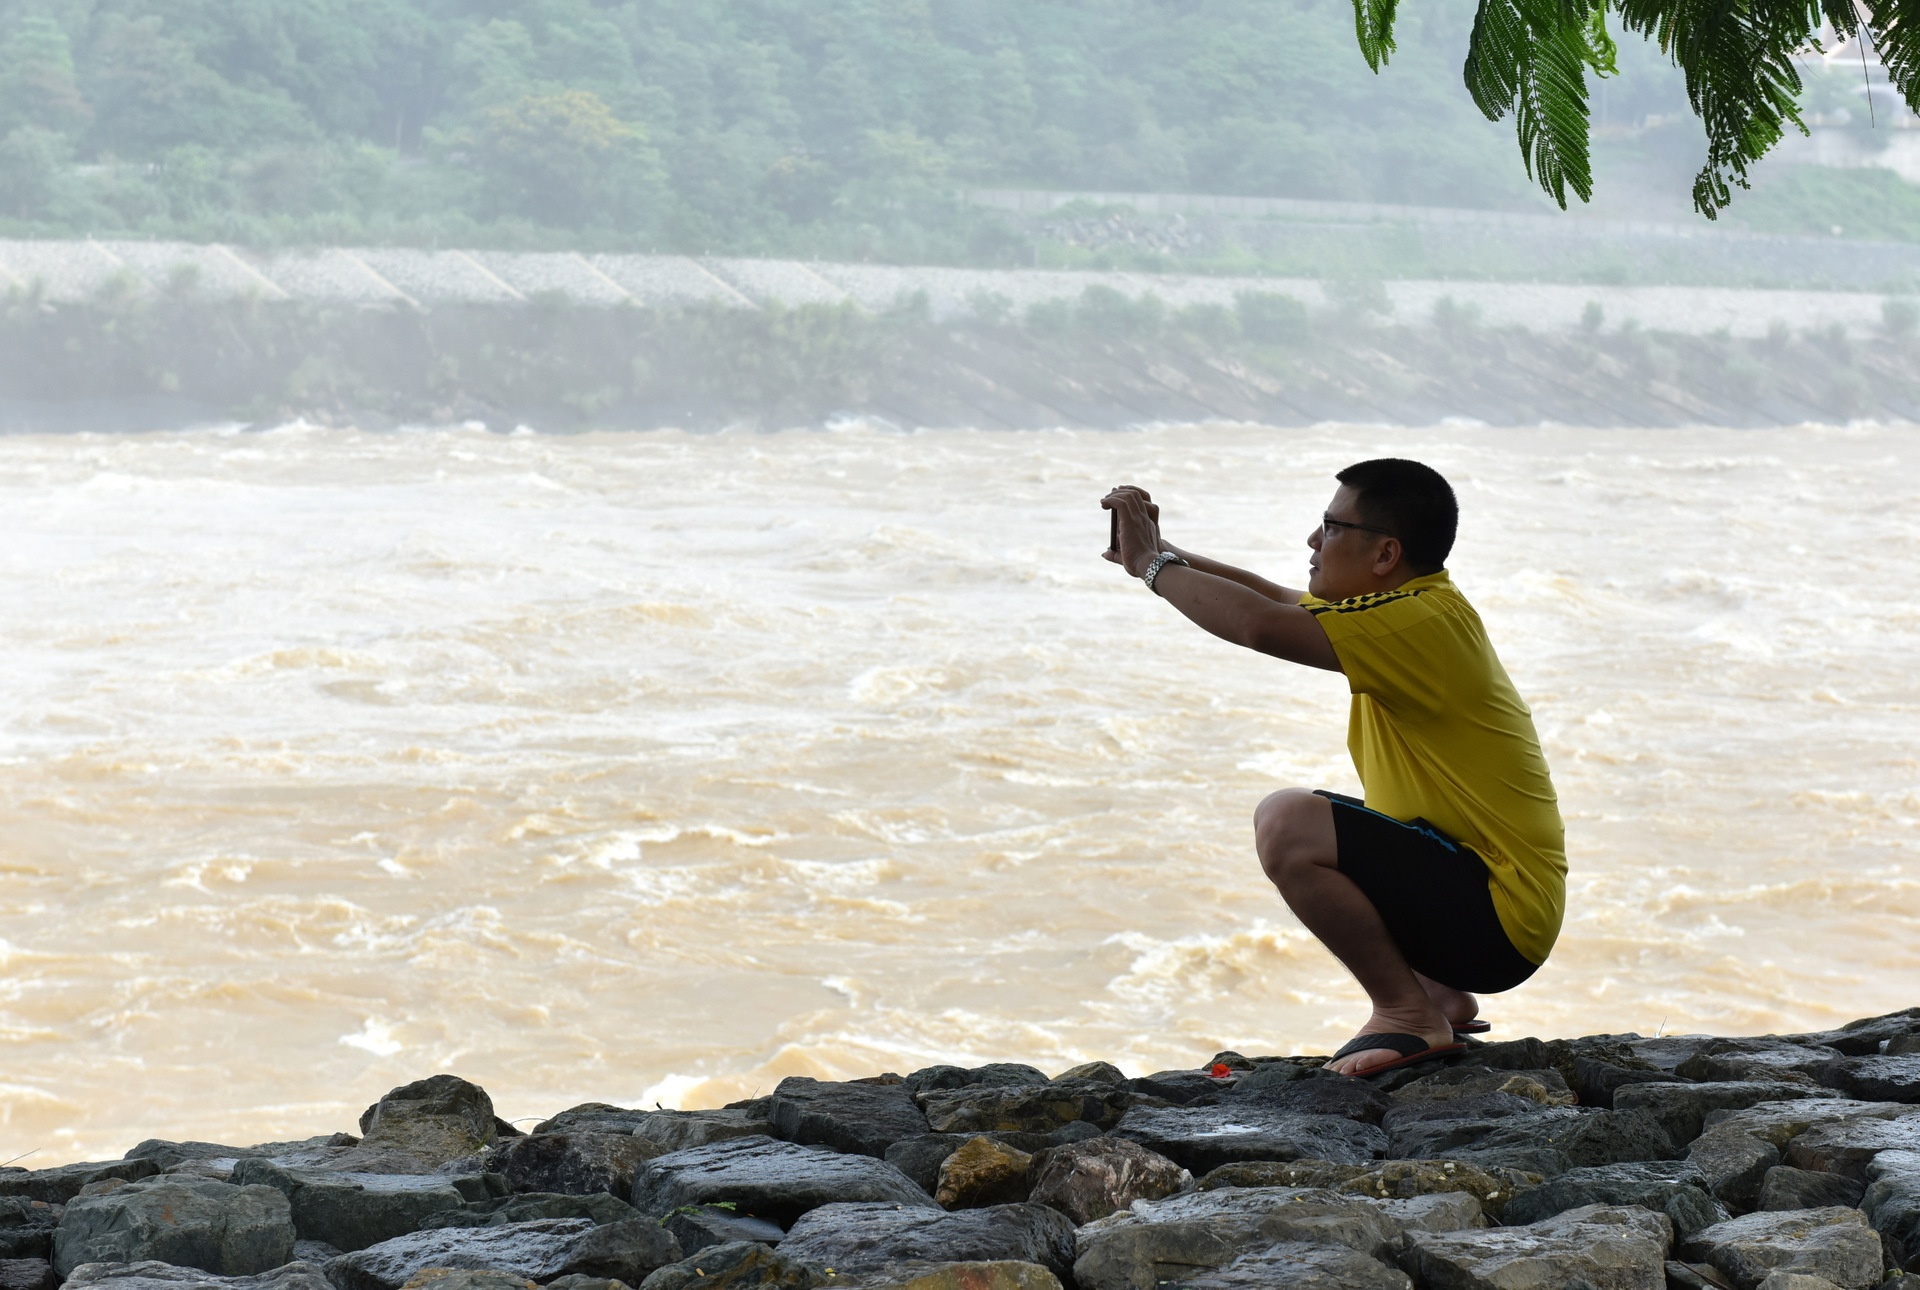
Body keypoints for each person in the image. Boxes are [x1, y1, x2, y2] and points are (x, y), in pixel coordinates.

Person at [1101, 459, 1564, 1077]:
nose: (1313, 542)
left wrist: (1150, 568)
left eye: (1331, 525)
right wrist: (1162, 552)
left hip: (1498, 919)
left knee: (1289, 822)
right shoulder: (1405, 605)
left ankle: (1407, 1014)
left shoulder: (1418, 622)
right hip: (1477, 904)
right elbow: (1274, 596)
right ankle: (1436, 996)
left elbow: (1259, 624)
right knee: (1326, 819)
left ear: (1385, 554)